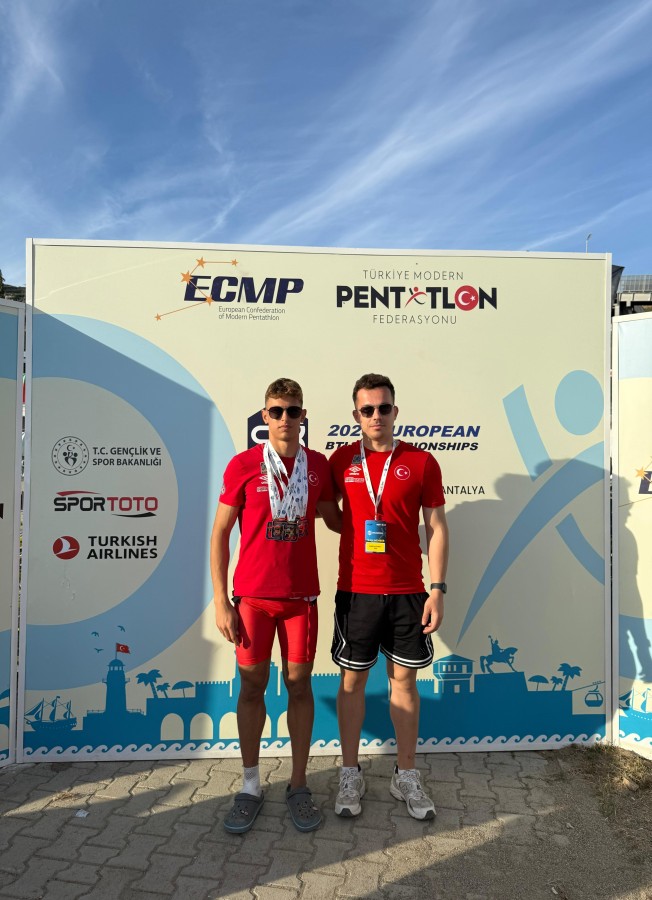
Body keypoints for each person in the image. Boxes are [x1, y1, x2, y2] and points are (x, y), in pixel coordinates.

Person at [211, 377, 340, 833]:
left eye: (293, 410)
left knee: (299, 686)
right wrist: (221, 600)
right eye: (277, 411)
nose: (286, 418)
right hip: (252, 600)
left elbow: (336, 519)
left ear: (304, 415)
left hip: (301, 599)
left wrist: (385, 520)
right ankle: (250, 786)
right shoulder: (244, 464)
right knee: (251, 687)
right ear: (265, 416)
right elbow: (220, 533)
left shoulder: (318, 465)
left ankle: (298, 785)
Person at [329, 373, 449, 820]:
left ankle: (406, 774)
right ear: (356, 415)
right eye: (367, 409)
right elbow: (328, 511)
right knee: (352, 683)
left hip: (408, 592)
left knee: (404, 683)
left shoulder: (421, 462)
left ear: (395, 411)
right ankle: (350, 772)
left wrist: (437, 589)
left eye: (383, 408)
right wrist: (354, 533)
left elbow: (436, 527)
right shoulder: (340, 460)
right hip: (356, 591)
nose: (376, 415)